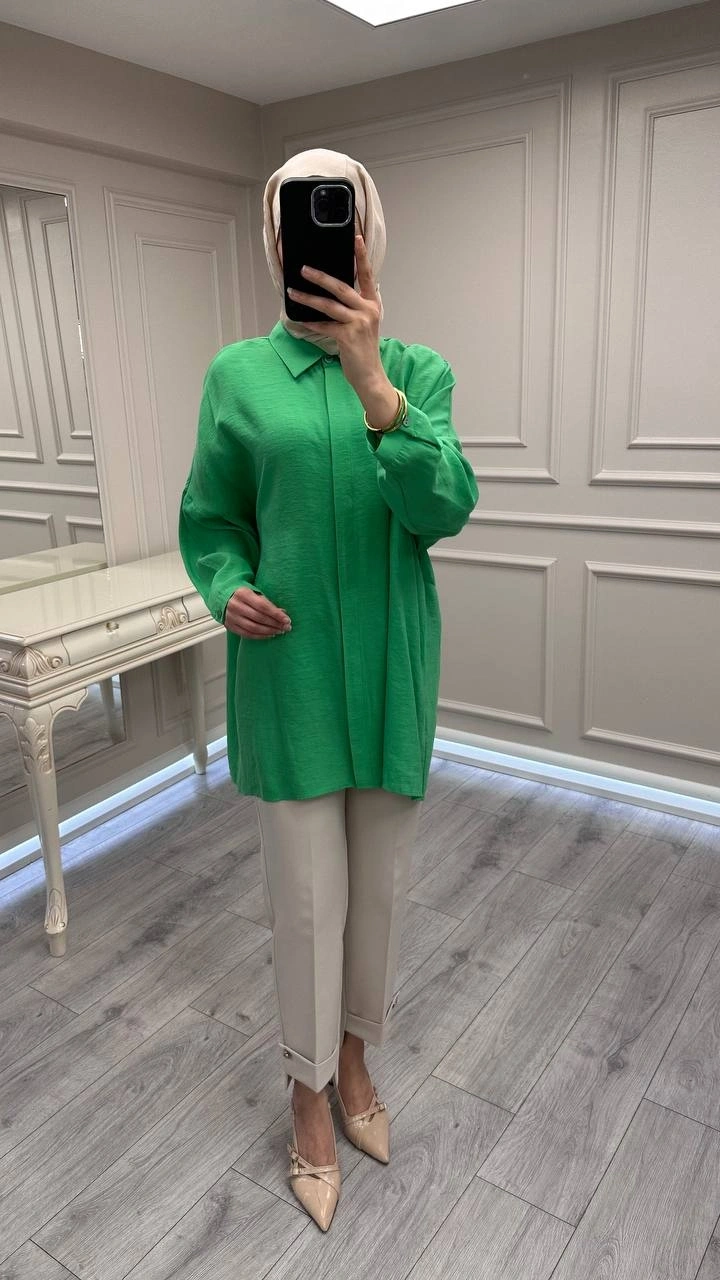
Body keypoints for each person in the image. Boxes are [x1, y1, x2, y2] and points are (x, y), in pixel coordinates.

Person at [178, 147, 478, 1231]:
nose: (314, 241)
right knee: (306, 899)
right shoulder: (236, 377)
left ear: (367, 235)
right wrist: (227, 586)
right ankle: (307, 1095)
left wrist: (372, 384)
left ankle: (355, 1058)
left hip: (393, 670)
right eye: (296, 222)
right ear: (275, 241)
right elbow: (211, 516)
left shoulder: (418, 373)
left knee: (378, 892)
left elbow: (443, 508)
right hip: (292, 675)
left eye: (336, 219)